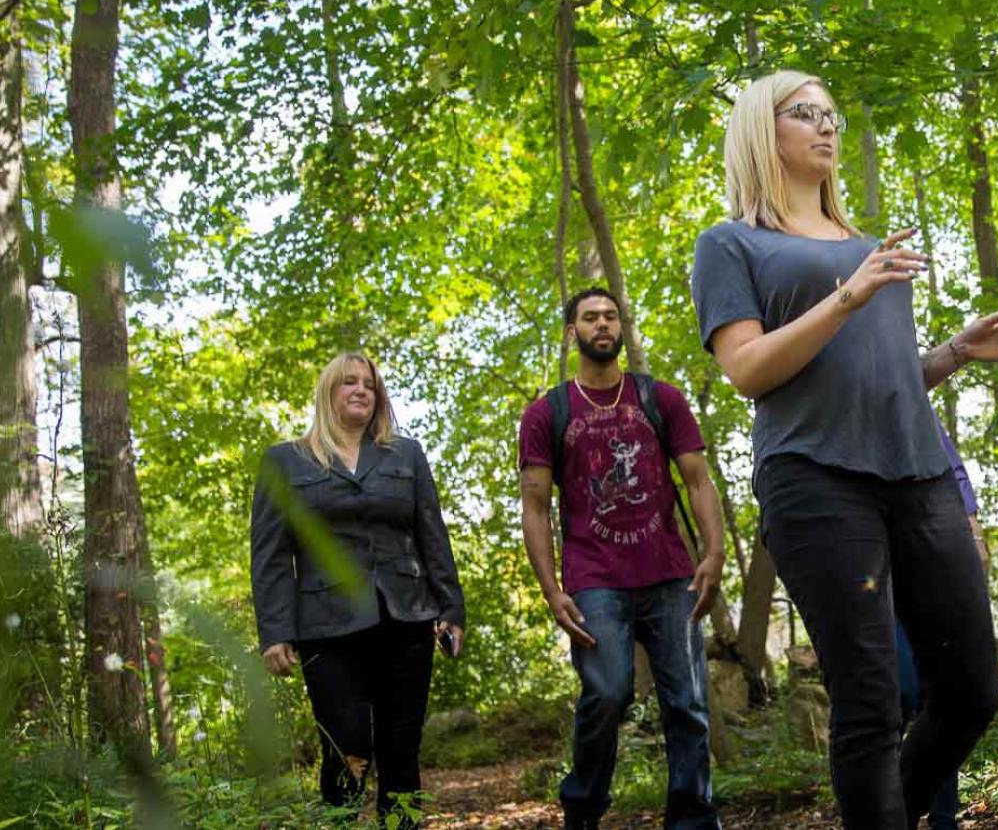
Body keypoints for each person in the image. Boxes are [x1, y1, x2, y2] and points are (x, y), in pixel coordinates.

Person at [690, 69, 998, 828]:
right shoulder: (732, 244)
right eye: (804, 114)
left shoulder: (865, 243)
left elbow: (880, 374)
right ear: (763, 129)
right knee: (871, 700)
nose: (826, 126)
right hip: (815, 480)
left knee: (970, 690)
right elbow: (748, 369)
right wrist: (846, 295)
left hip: (919, 475)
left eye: (831, 114)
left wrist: (955, 351)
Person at [518, 287, 726, 830]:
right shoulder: (548, 412)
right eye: (590, 317)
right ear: (573, 332)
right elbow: (536, 507)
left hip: (671, 576)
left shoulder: (661, 399)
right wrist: (551, 589)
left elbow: (698, 480)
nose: (602, 324)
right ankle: (583, 809)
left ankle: (693, 821)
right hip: (594, 581)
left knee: (689, 705)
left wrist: (714, 552)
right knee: (608, 694)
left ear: (621, 327)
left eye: (610, 316)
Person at [250, 352, 466, 828]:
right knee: (346, 747)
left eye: (369, 384)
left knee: (401, 751)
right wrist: (274, 632)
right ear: (329, 393)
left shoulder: (405, 454)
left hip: (406, 618)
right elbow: (269, 556)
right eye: (348, 382)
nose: (361, 390)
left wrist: (451, 607)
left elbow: (432, 533)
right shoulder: (285, 461)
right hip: (326, 628)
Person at [896, 422, 985, 830]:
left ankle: (944, 820)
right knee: (900, 692)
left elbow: (951, 465)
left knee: (947, 693)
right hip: (866, 558)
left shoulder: (909, 395)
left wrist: (974, 531)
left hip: (927, 546)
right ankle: (894, 812)